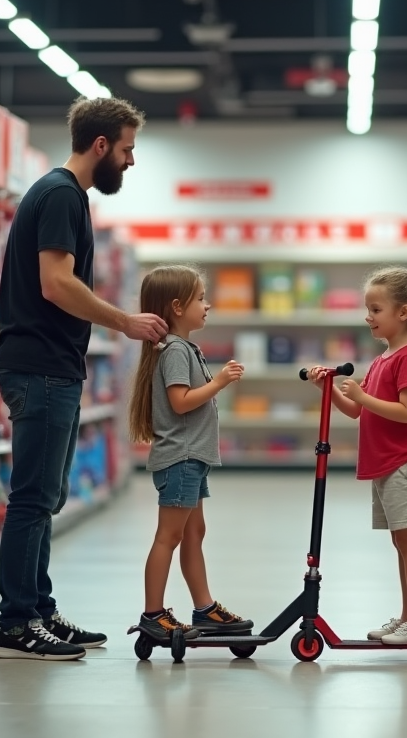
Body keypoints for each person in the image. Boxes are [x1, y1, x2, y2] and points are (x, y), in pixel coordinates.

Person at [0, 96, 168, 662]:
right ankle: (16, 625)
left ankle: (39, 609)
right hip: (39, 366)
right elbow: (55, 284)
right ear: (101, 146)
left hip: (49, 366)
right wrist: (124, 323)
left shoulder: (61, 194)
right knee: (33, 498)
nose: (131, 160)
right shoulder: (63, 195)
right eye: (127, 148)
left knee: (46, 496)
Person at [307, 267, 407, 645]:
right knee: (400, 544)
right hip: (387, 463)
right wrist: (331, 389)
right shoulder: (385, 357)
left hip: (406, 462)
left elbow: (406, 411)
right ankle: (406, 618)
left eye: (376, 309)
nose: (368, 316)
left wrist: (363, 396)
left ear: (403, 312)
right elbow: (358, 411)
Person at [128, 265, 253, 641]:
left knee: (194, 532)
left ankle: (205, 609)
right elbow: (180, 403)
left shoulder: (184, 348)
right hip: (181, 458)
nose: (208, 305)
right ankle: (153, 614)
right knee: (169, 536)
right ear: (178, 307)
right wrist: (218, 382)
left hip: (192, 458)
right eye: (201, 298)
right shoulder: (175, 351)